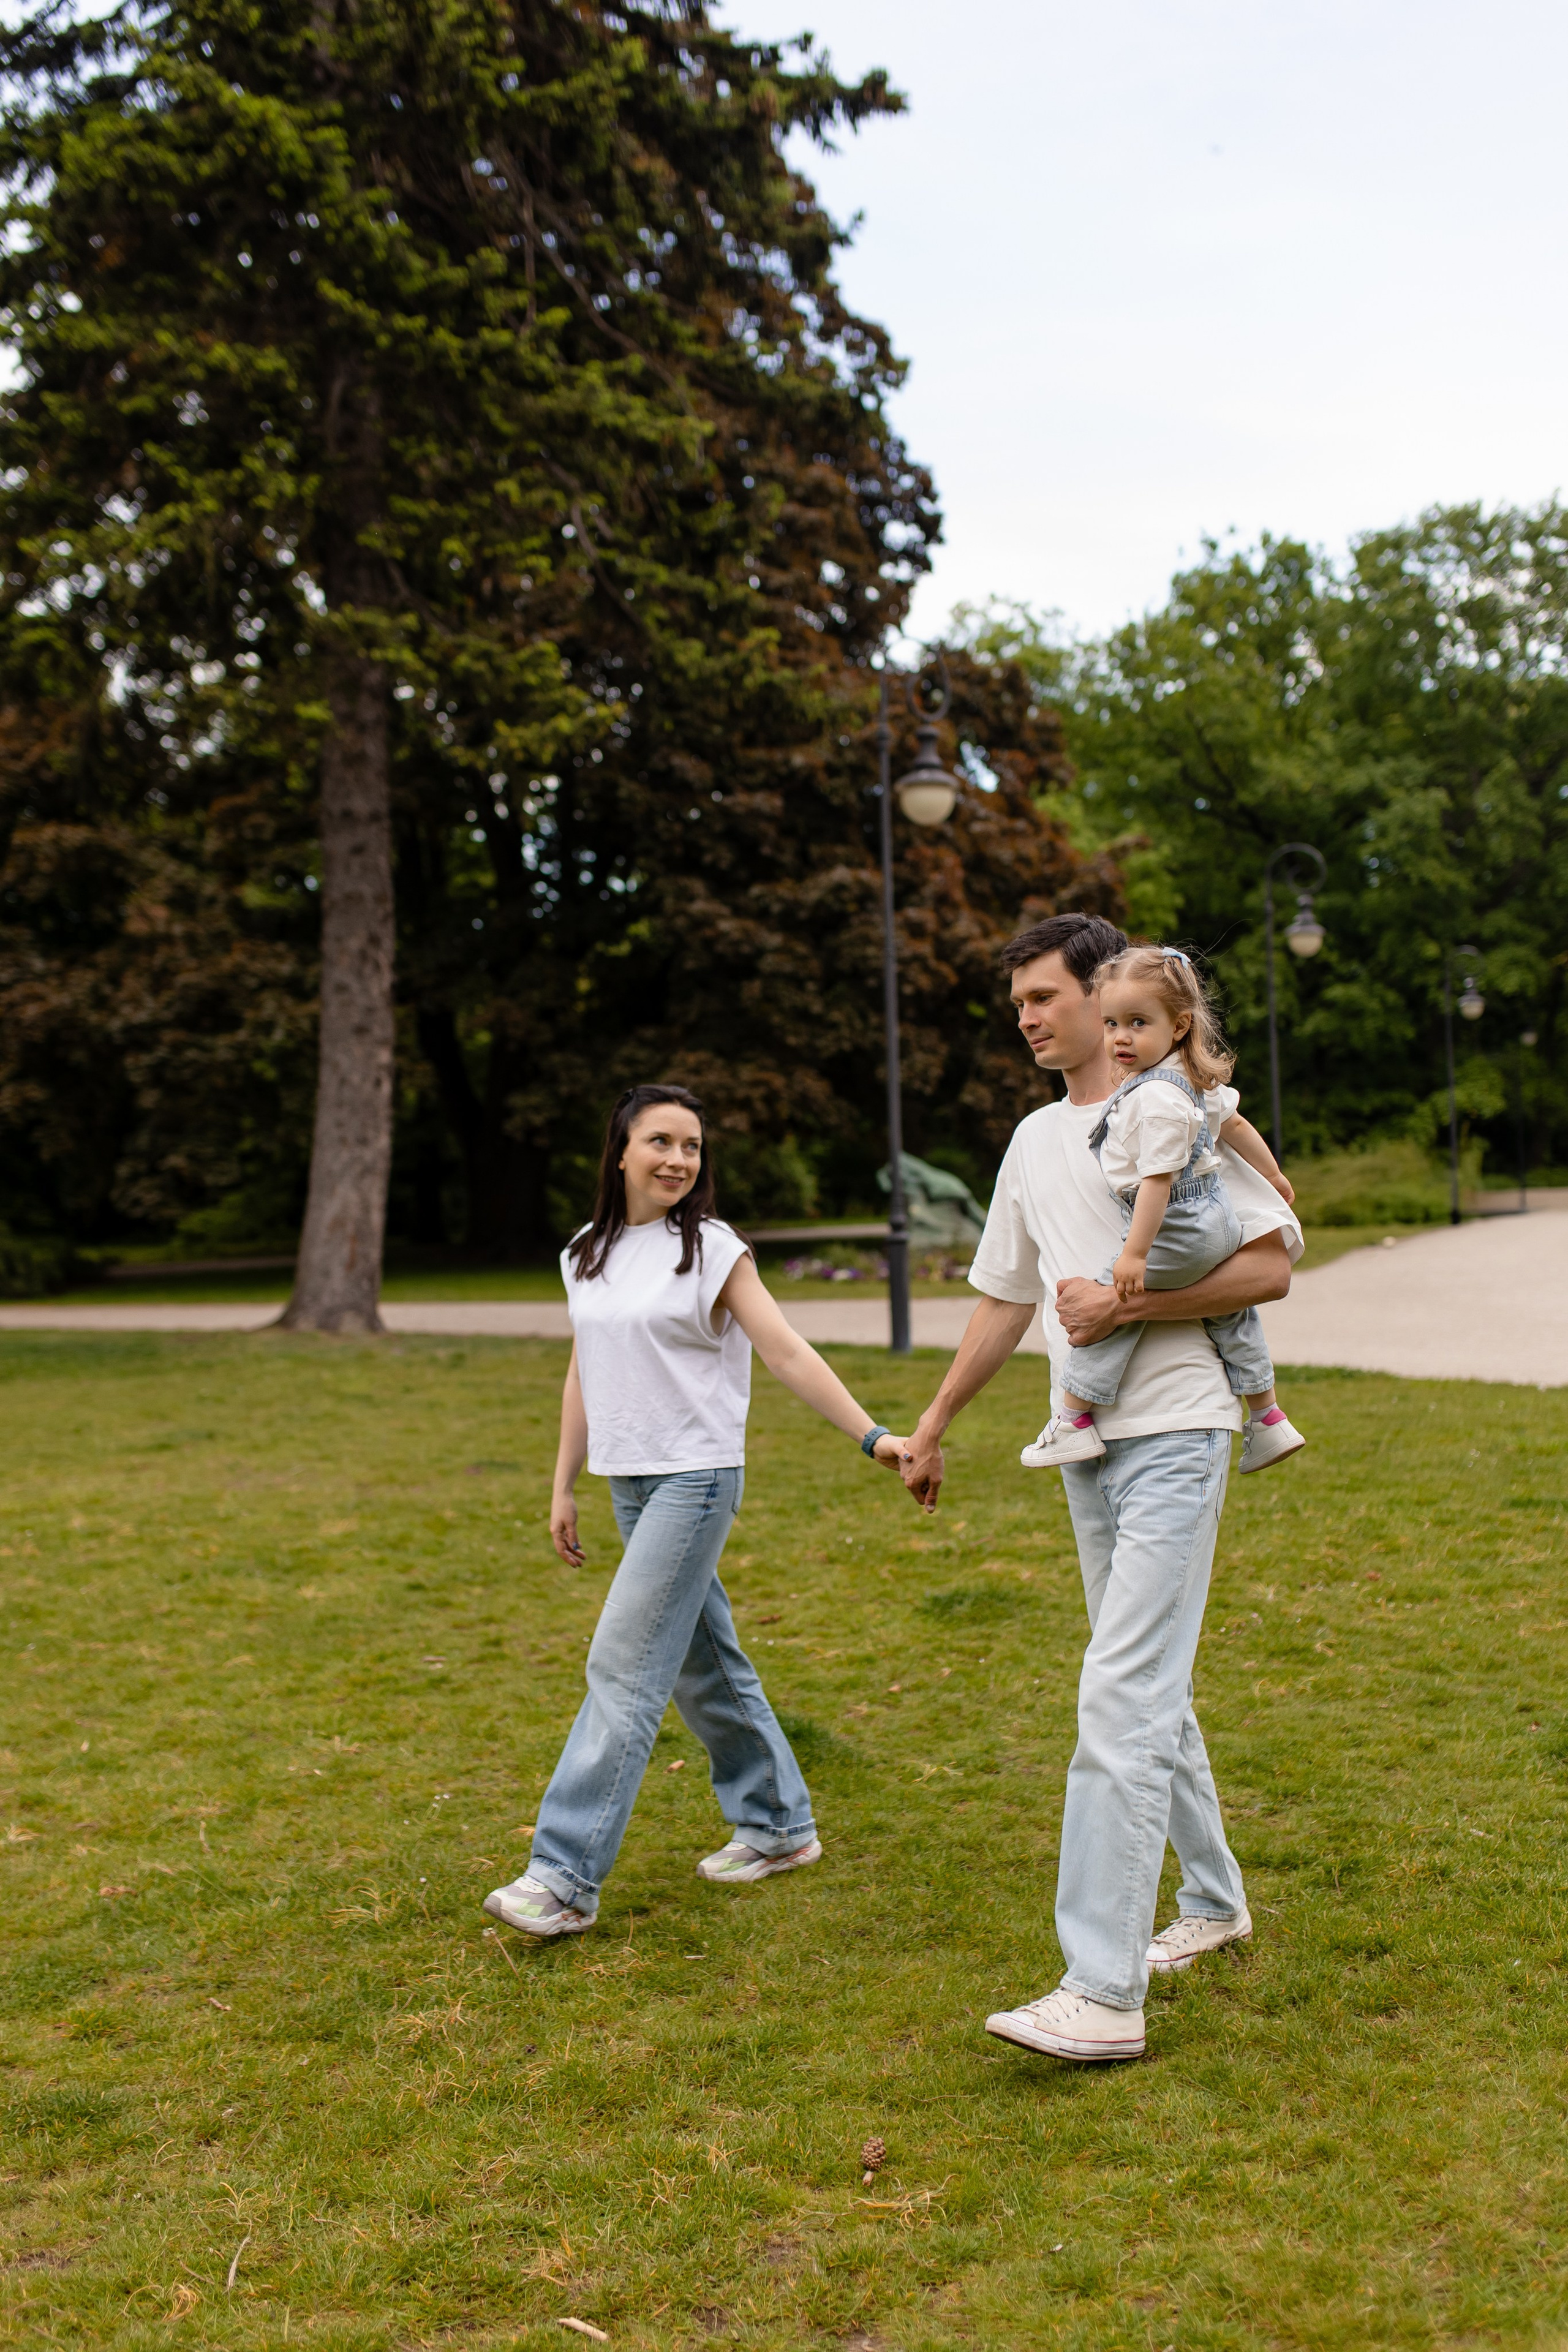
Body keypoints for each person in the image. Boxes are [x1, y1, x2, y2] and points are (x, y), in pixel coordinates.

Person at [899, 913, 1301, 2064]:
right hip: (1085, 1444)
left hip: (1177, 1429)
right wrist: (931, 1424)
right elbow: (1005, 1299)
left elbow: (1275, 1259)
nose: (1027, 1018)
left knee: (1119, 1695)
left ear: (1108, 996)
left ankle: (1104, 1993)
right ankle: (1215, 1904)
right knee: (1147, 1685)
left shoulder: (1174, 1110)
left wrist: (1128, 1304)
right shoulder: (1031, 1141)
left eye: (1044, 996)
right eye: (1016, 1002)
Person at [484, 1083, 910, 1940]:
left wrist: (874, 1438)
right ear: (622, 1152)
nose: (678, 1159)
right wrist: (564, 1481)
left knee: (624, 1666)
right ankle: (779, 1825)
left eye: (692, 1147)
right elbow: (585, 1369)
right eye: (661, 1142)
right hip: (627, 1479)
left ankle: (563, 1875)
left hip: (697, 1477)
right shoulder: (585, 1253)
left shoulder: (712, 1249)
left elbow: (785, 1350)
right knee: (700, 1662)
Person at [1024, 941, 1305, 1475]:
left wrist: (1134, 1255)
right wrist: (1273, 1175)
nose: (1120, 1038)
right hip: (1216, 1222)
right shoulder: (1192, 1081)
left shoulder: (1154, 1097)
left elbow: (1157, 1181)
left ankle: (1073, 1420)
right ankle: (1267, 1417)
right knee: (1231, 1314)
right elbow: (1237, 1124)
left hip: (1176, 1222)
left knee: (1108, 1311)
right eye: (1110, 1023)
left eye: (1137, 1022)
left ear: (1178, 1026)